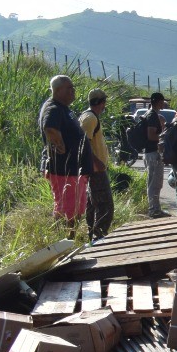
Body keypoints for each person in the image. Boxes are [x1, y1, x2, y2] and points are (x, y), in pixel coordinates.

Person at [38, 75, 88, 232]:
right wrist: (60, 147)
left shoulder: (62, 108)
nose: (73, 91)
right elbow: (50, 128)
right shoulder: (53, 108)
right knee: (67, 209)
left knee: (75, 208)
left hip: (73, 169)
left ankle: (70, 239)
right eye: (69, 88)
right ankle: (63, 240)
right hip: (63, 170)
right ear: (58, 90)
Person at [77, 88, 114, 239]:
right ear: (101, 102)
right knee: (105, 206)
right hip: (95, 170)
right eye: (104, 102)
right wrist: (97, 163)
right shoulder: (90, 119)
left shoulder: (90, 117)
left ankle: (92, 237)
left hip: (94, 168)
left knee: (93, 205)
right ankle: (99, 237)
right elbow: (82, 145)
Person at [133, 92, 169, 217]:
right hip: (153, 153)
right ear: (158, 102)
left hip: (150, 153)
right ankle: (154, 210)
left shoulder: (150, 114)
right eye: (162, 101)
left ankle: (155, 208)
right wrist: (163, 137)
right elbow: (151, 135)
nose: (164, 103)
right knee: (155, 183)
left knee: (154, 182)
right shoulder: (152, 115)